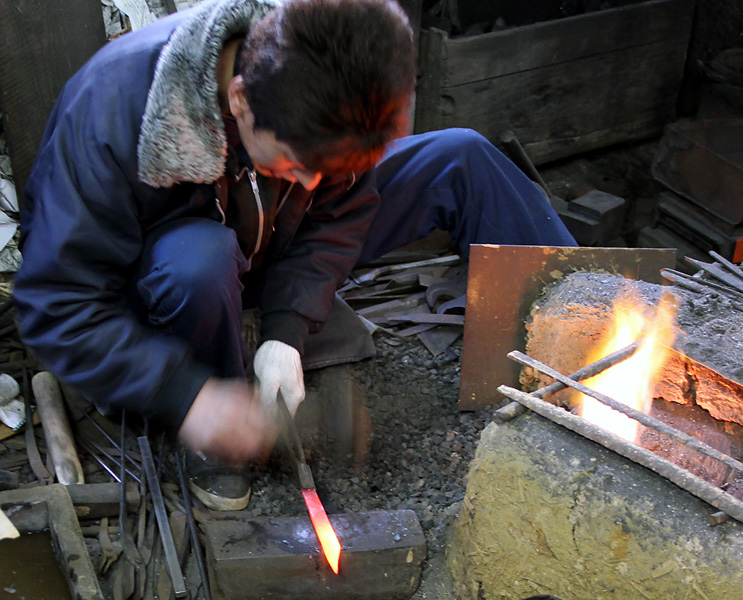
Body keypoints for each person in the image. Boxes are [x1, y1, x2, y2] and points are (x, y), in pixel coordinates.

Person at [13, 0, 575, 509]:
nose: (310, 182)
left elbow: (339, 211)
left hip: (269, 243)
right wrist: (187, 396)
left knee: (459, 156)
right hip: (172, 284)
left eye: (326, 170)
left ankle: (584, 345)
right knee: (199, 262)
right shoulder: (112, 112)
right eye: (296, 163)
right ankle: (217, 430)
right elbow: (55, 303)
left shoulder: (321, 70)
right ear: (240, 100)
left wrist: (287, 329)